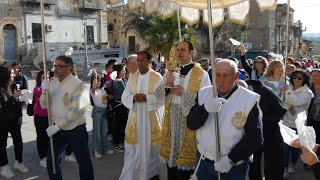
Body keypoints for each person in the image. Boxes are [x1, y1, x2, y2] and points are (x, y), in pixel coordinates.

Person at [187, 59, 263, 180]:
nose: (221, 80)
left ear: (236, 75)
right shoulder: (204, 93)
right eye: (217, 75)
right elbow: (191, 124)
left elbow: (255, 138)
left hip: (233, 167)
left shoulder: (249, 99)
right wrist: (204, 109)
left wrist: (231, 159)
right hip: (204, 163)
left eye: (226, 75)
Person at [160, 41, 211, 179]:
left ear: (191, 52)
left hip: (188, 119)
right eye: (177, 49)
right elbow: (159, 94)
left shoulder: (201, 74)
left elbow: (205, 100)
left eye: (182, 50)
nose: (179, 53)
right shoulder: (170, 70)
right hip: (171, 118)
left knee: (185, 169)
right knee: (171, 162)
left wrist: (183, 93)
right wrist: (167, 85)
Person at [40, 56, 94, 180]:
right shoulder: (52, 83)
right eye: (55, 66)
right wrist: (44, 91)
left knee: (84, 162)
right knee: (52, 163)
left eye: (59, 66)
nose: (55, 69)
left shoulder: (77, 85)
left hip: (75, 129)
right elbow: (44, 105)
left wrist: (58, 126)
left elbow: (76, 111)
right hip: (57, 129)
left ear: (69, 68)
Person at [119, 51, 165, 180]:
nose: (138, 63)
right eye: (137, 60)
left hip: (150, 121)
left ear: (149, 62)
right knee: (133, 152)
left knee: (152, 152)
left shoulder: (157, 77)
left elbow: (161, 99)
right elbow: (125, 96)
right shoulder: (133, 77)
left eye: (141, 60)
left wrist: (146, 98)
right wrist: (133, 98)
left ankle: (151, 175)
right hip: (135, 120)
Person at [245, 80, 287, 180]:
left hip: (270, 132)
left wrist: (261, 120)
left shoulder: (266, 91)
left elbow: (281, 109)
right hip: (252, 133)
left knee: (272, 162)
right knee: (254, 161)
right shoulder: (240, 93)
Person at [282, 70, 313, 178]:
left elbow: (298, 102)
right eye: (294, 77)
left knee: (295, 147)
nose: (296, 80)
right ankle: (284, 167)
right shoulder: (287, 88)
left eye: (299, 78)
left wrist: (288, 92)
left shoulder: (307, 92)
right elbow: (282, 102)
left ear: (304, 79)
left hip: (298, 124)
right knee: (285, 146)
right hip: (286, 122)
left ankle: (292, 164)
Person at [0, 66, 29, 178]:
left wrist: (20, 115)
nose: (14, 74)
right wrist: (15, 96)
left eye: (13, 73)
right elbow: (3, 106)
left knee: (18, 142)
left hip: (13, 119)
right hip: (2, 120)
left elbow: (17, 103)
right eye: (11, 73)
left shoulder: (13, 85)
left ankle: (19, 162)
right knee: (2, 144)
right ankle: (4, 167)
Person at [90, 73, 109, 159]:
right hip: (98, 112)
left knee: (104, 132)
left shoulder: (103, 90)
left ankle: (105, 148)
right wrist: (95, 76)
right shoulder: (93, 91)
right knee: (97, 132)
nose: (99, 82)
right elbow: (93, 87)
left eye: (100, 80)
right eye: (97, 81)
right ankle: (97, 150)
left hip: (104, 112)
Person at [110, 64, 128, 152]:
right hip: (119, 106)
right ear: (118, 71)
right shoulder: (116, 81)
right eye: (123, 70)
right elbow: (121, 94)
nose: (125, 72)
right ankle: (117, 144)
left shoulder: (123, 80)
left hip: (124, 106)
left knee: (123, 125)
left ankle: (121, 142)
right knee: (118, 125)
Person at [33, 71, 50, 168]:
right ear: (39, 78)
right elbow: (43, 95)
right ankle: (42, 157)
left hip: (49, 116)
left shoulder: (50, 88)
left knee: (48, 137)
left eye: (47, 77)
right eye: (43, 77)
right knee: (41, 137)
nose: (45, 79)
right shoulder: (37, 89)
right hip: (40, 117)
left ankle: (47, 154)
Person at [307, 69, 320, 145]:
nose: (314, 77)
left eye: (316, 75)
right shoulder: (308, 89)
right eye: (312, 75)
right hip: (311, 121)